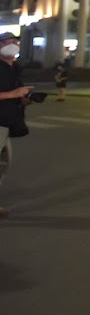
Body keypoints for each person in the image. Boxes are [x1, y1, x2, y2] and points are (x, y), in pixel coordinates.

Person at [0, 32, 35, 218]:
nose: (12, 44)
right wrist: (14, 94)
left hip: (8, 122)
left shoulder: (15, 68)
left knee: (4, 163)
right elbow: (10, 93)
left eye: (14, 41)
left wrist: (24, 99)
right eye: (6, 41)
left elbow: (16, 92)